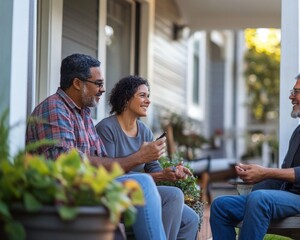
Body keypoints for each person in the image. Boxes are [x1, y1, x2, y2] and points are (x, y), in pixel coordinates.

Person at [25, 53, 168, 240]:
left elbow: (102, 159)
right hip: (65, 192)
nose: (103, 89)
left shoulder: (83, 114)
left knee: (172, 196)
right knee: (142, 183)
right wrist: (139, 158)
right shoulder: (54, 109)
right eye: (98, 83)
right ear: (77, 83)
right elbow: (65, 163)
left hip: (91, 184)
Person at [210, 71, 300, 240]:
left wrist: (265, 172)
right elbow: (286, 173)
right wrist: (255, 177)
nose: (291, 97)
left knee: (260, 200)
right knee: (221, 206)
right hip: (292, 200)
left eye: (296, 92)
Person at [96, 75, 199, 240]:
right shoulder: (107, 128)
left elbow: (154, 167)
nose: (148, 101)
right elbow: (110, 174)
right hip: (117, 191)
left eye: (148, 95)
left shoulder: (145, 131)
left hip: (144, 191)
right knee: (174, 195)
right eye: (142, 95)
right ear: (126, 99)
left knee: (191, 219)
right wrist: (159, 175)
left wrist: (171, 172)